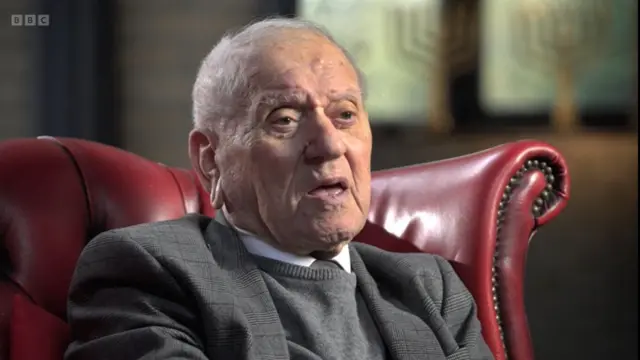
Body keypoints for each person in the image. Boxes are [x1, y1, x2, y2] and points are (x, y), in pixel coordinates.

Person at [64, 18, 494, 360]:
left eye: (344, 115)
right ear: (210, 161)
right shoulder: (149, 272)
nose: (328, 145)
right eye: (284, 119)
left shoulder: (429, 289)